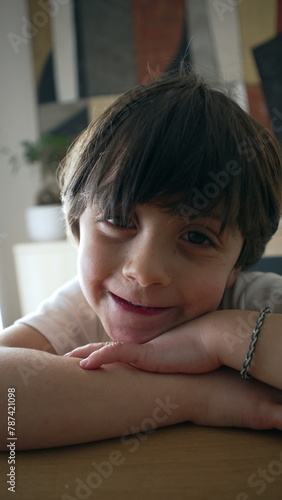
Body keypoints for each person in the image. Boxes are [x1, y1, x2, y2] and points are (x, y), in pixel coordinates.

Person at [1, 70, 282, 451]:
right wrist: (200, 396)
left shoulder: (257, 304)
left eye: (197, 237)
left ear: (237, 267)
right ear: (78, 228)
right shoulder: (76, 313)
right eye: (118, 220)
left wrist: (219, 338)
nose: (144, 271)